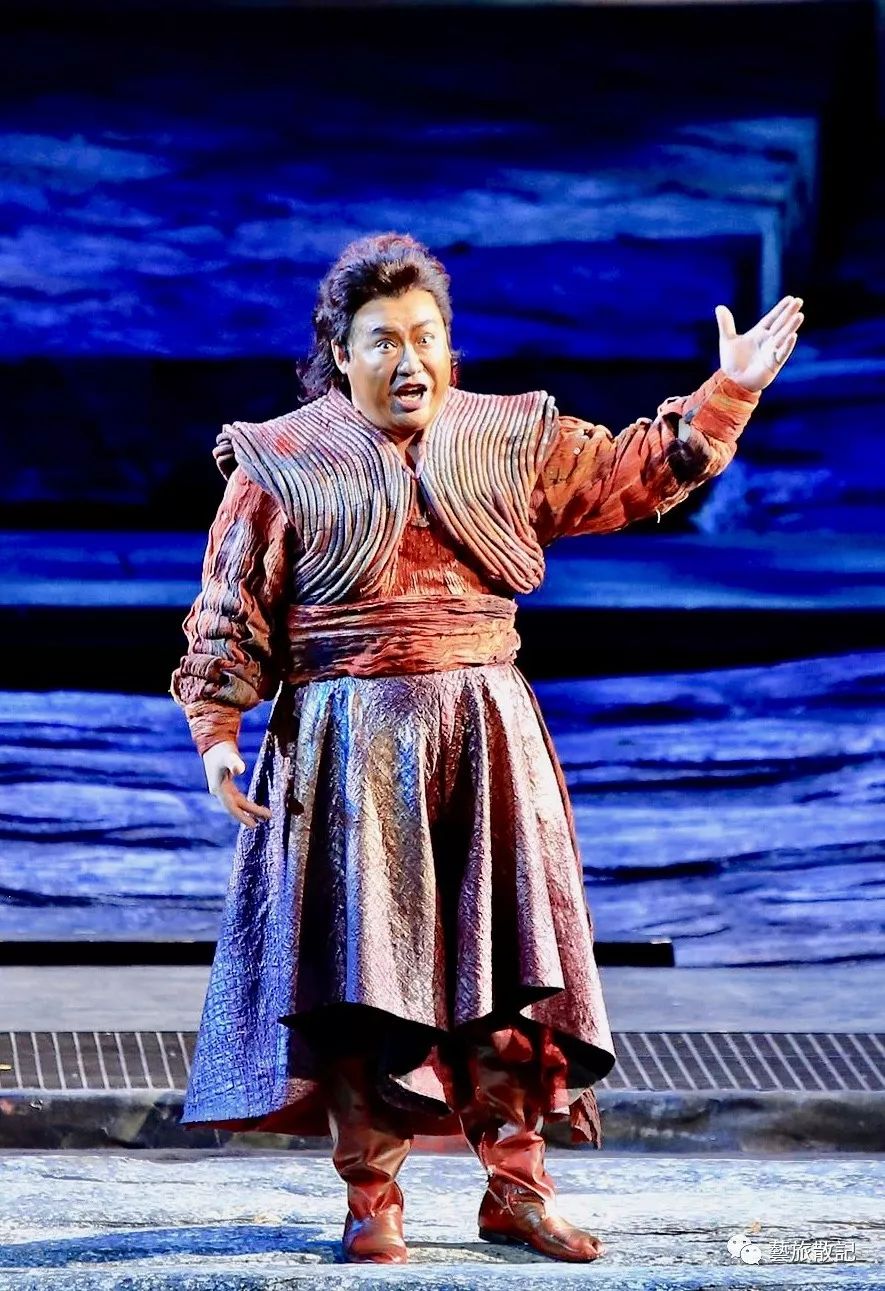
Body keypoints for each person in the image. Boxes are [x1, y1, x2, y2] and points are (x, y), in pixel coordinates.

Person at [170, 232, 803, 1265]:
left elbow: (634, 472)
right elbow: (229, 608)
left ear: (449, 346)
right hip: (347, 751)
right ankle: (371, 1196)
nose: (409, 359)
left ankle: (516, 1186)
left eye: (426, 337)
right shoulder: (281, 462)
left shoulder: (505, 438)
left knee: (508, 971)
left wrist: (726, 392)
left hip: (485, 738)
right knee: (361, 982)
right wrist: (218, 733)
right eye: (384, 341)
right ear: (341, 354)